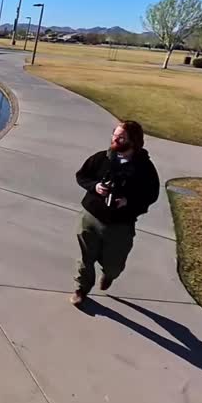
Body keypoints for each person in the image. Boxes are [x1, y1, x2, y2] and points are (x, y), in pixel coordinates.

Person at [71, 120, 160, 306]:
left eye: (121, 137)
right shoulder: (101, 158)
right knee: (86, 257)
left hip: (120, 225)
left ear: (133, 142)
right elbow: (81, 176)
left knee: (114, 264)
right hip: (91, 216)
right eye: (114, 134)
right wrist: (95, 187)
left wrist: (129, 202)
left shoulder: (145, 169)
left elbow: (151, 195)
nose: (115, 139)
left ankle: (109, 275)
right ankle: (81, 289)